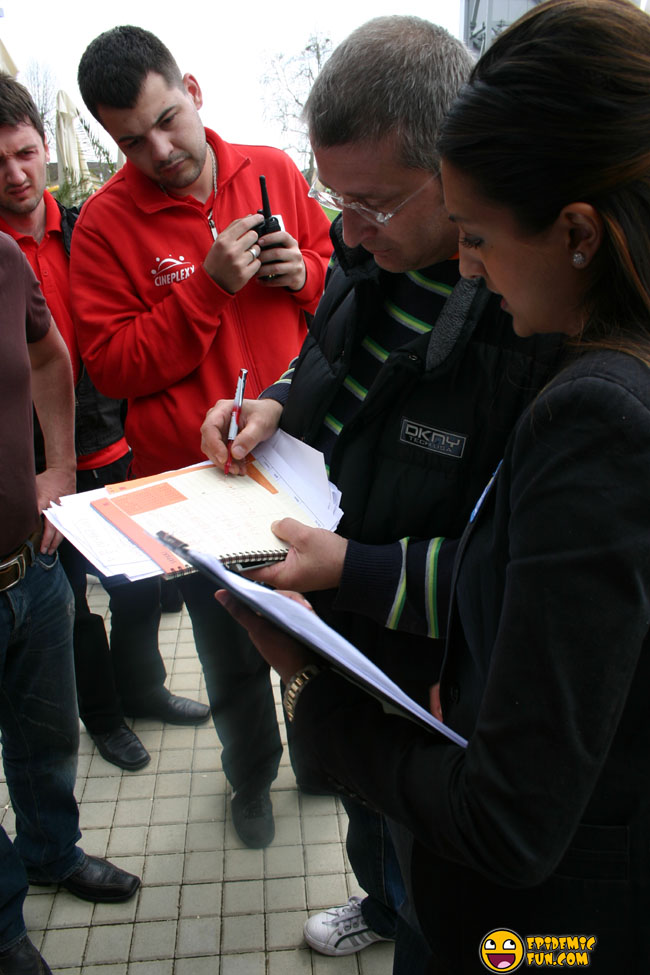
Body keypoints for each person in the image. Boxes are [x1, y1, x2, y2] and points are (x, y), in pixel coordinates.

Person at [217, 0, 650, 970]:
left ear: (576, 232)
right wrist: (280, 402)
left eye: (478, 234)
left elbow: (510, 818)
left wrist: (320, 690)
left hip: (543, 925)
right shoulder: (564, 334)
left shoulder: (587, 400)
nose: (463, 260)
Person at [70, 26, 332, 847]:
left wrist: (309, 277)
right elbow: (111, 367)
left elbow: (339, 277)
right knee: (230, 660)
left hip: (300, 472)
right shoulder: (107, 224)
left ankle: (326, 758)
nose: (158, 150)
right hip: (199, 491)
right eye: (130, 139)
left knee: (321, 631)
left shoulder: (276, 171)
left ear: (192, 87)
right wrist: (207, 293)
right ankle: (249, 780)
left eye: (166, 118)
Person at [0, 73, 210, 775]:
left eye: (26, 152)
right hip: (36, 467)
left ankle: (143, 687)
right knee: (72, 610)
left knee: (141, 585)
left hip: (115, 443)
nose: (16, 173)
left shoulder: (85, 228)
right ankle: (105, 716)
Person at [0, 233, 141, 975]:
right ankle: (0, 922)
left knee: (47, 736)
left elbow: (52, 353)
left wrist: (57, 466)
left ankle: (54, 851)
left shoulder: (2, 258)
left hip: (31, 568)